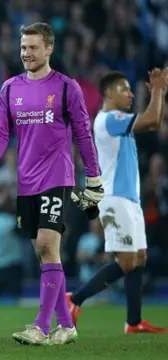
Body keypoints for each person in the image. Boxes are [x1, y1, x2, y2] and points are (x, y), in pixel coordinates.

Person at [0, 22, 104, 345]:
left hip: (58, 176)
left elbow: (84, 134)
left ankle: (41, 327)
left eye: (33, 47)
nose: (26, 53)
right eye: (23, 47)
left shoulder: (66, 87)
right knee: (43, 252)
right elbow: (1, 134)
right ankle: (65, 325)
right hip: (26, 181)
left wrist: (94, 175)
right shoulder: (10, 89)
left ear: (49, 49)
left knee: (47, 244)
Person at [66, 69, 168, 334]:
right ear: (110, 93)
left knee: (139, 258)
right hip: (116, 198)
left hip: (129, 199)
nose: (131, 94)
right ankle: (74, 299)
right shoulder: (110, 119)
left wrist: (160, 93)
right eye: (125, 89)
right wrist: (158, 91)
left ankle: (133, 322)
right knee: (126, 261)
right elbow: (153, 121)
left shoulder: (117, 120)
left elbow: (155, 118)